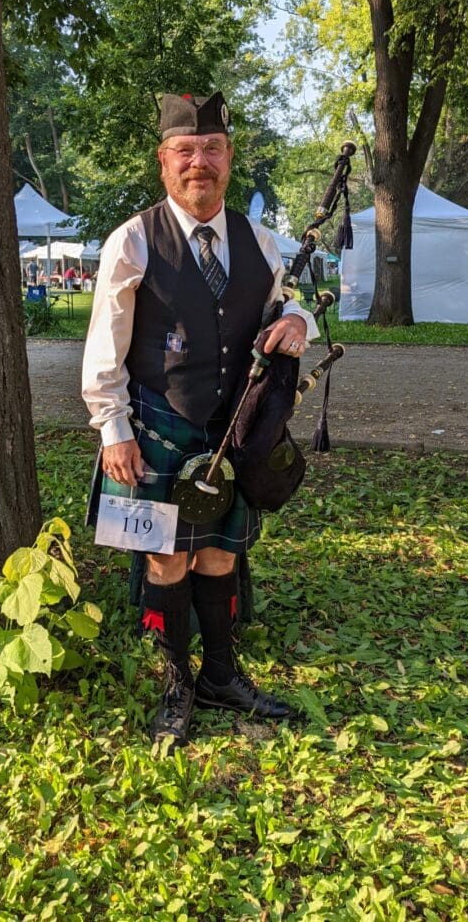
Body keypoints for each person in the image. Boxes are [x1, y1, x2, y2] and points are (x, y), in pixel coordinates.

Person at [82, 91, 318, 749]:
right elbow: (106, 341)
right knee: (165, 561)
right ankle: (172, 686)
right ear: (164, 162)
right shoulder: (132, 241)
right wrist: (114, 428)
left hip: (230, 432)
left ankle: (220, 675)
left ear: (228, 157)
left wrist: (299, 319)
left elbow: (290, 300)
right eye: (184, 151)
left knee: (217, 555)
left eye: (211, 149)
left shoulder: (258, 240)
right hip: (156, 428)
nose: (199, 163)